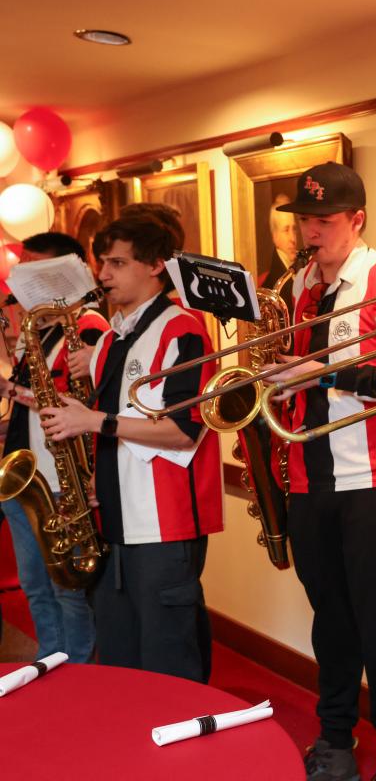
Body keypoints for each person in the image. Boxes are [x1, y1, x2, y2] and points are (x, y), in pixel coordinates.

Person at [265, 162, 376, 781]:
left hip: (374, 486)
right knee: (330, 622)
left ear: (356, 220)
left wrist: (319, 373)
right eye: (304, 220)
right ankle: (335, 737)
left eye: (324, 221)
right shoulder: (299, 287)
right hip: (308, 482)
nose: (310, 232)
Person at [39, 209, 223, 683]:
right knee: (121, 664)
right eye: (103, 262)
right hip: (112, 521)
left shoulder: (184, 330)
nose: (102, 275)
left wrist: (93, 421)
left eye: (117, 263)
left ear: (155, 265)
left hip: (164, 526)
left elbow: (186, 428)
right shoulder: (113, 337)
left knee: (169, 662)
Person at [0, 232, 105, 663]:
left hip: (62, 481)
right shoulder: (37, 329)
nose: (19, 279)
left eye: (32, 267)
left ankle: (77, 667)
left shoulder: (88, 327)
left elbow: (85, 399)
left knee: (67, 588)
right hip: (30, 475)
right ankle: (49, 660)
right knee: (34, 585)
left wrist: (12, 388)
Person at [262, 193, 300, 289]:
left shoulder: (301, 270)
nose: (293, 239)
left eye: (294, 229)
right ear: (275, 237)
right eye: (286, 230)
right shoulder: (271, 283)